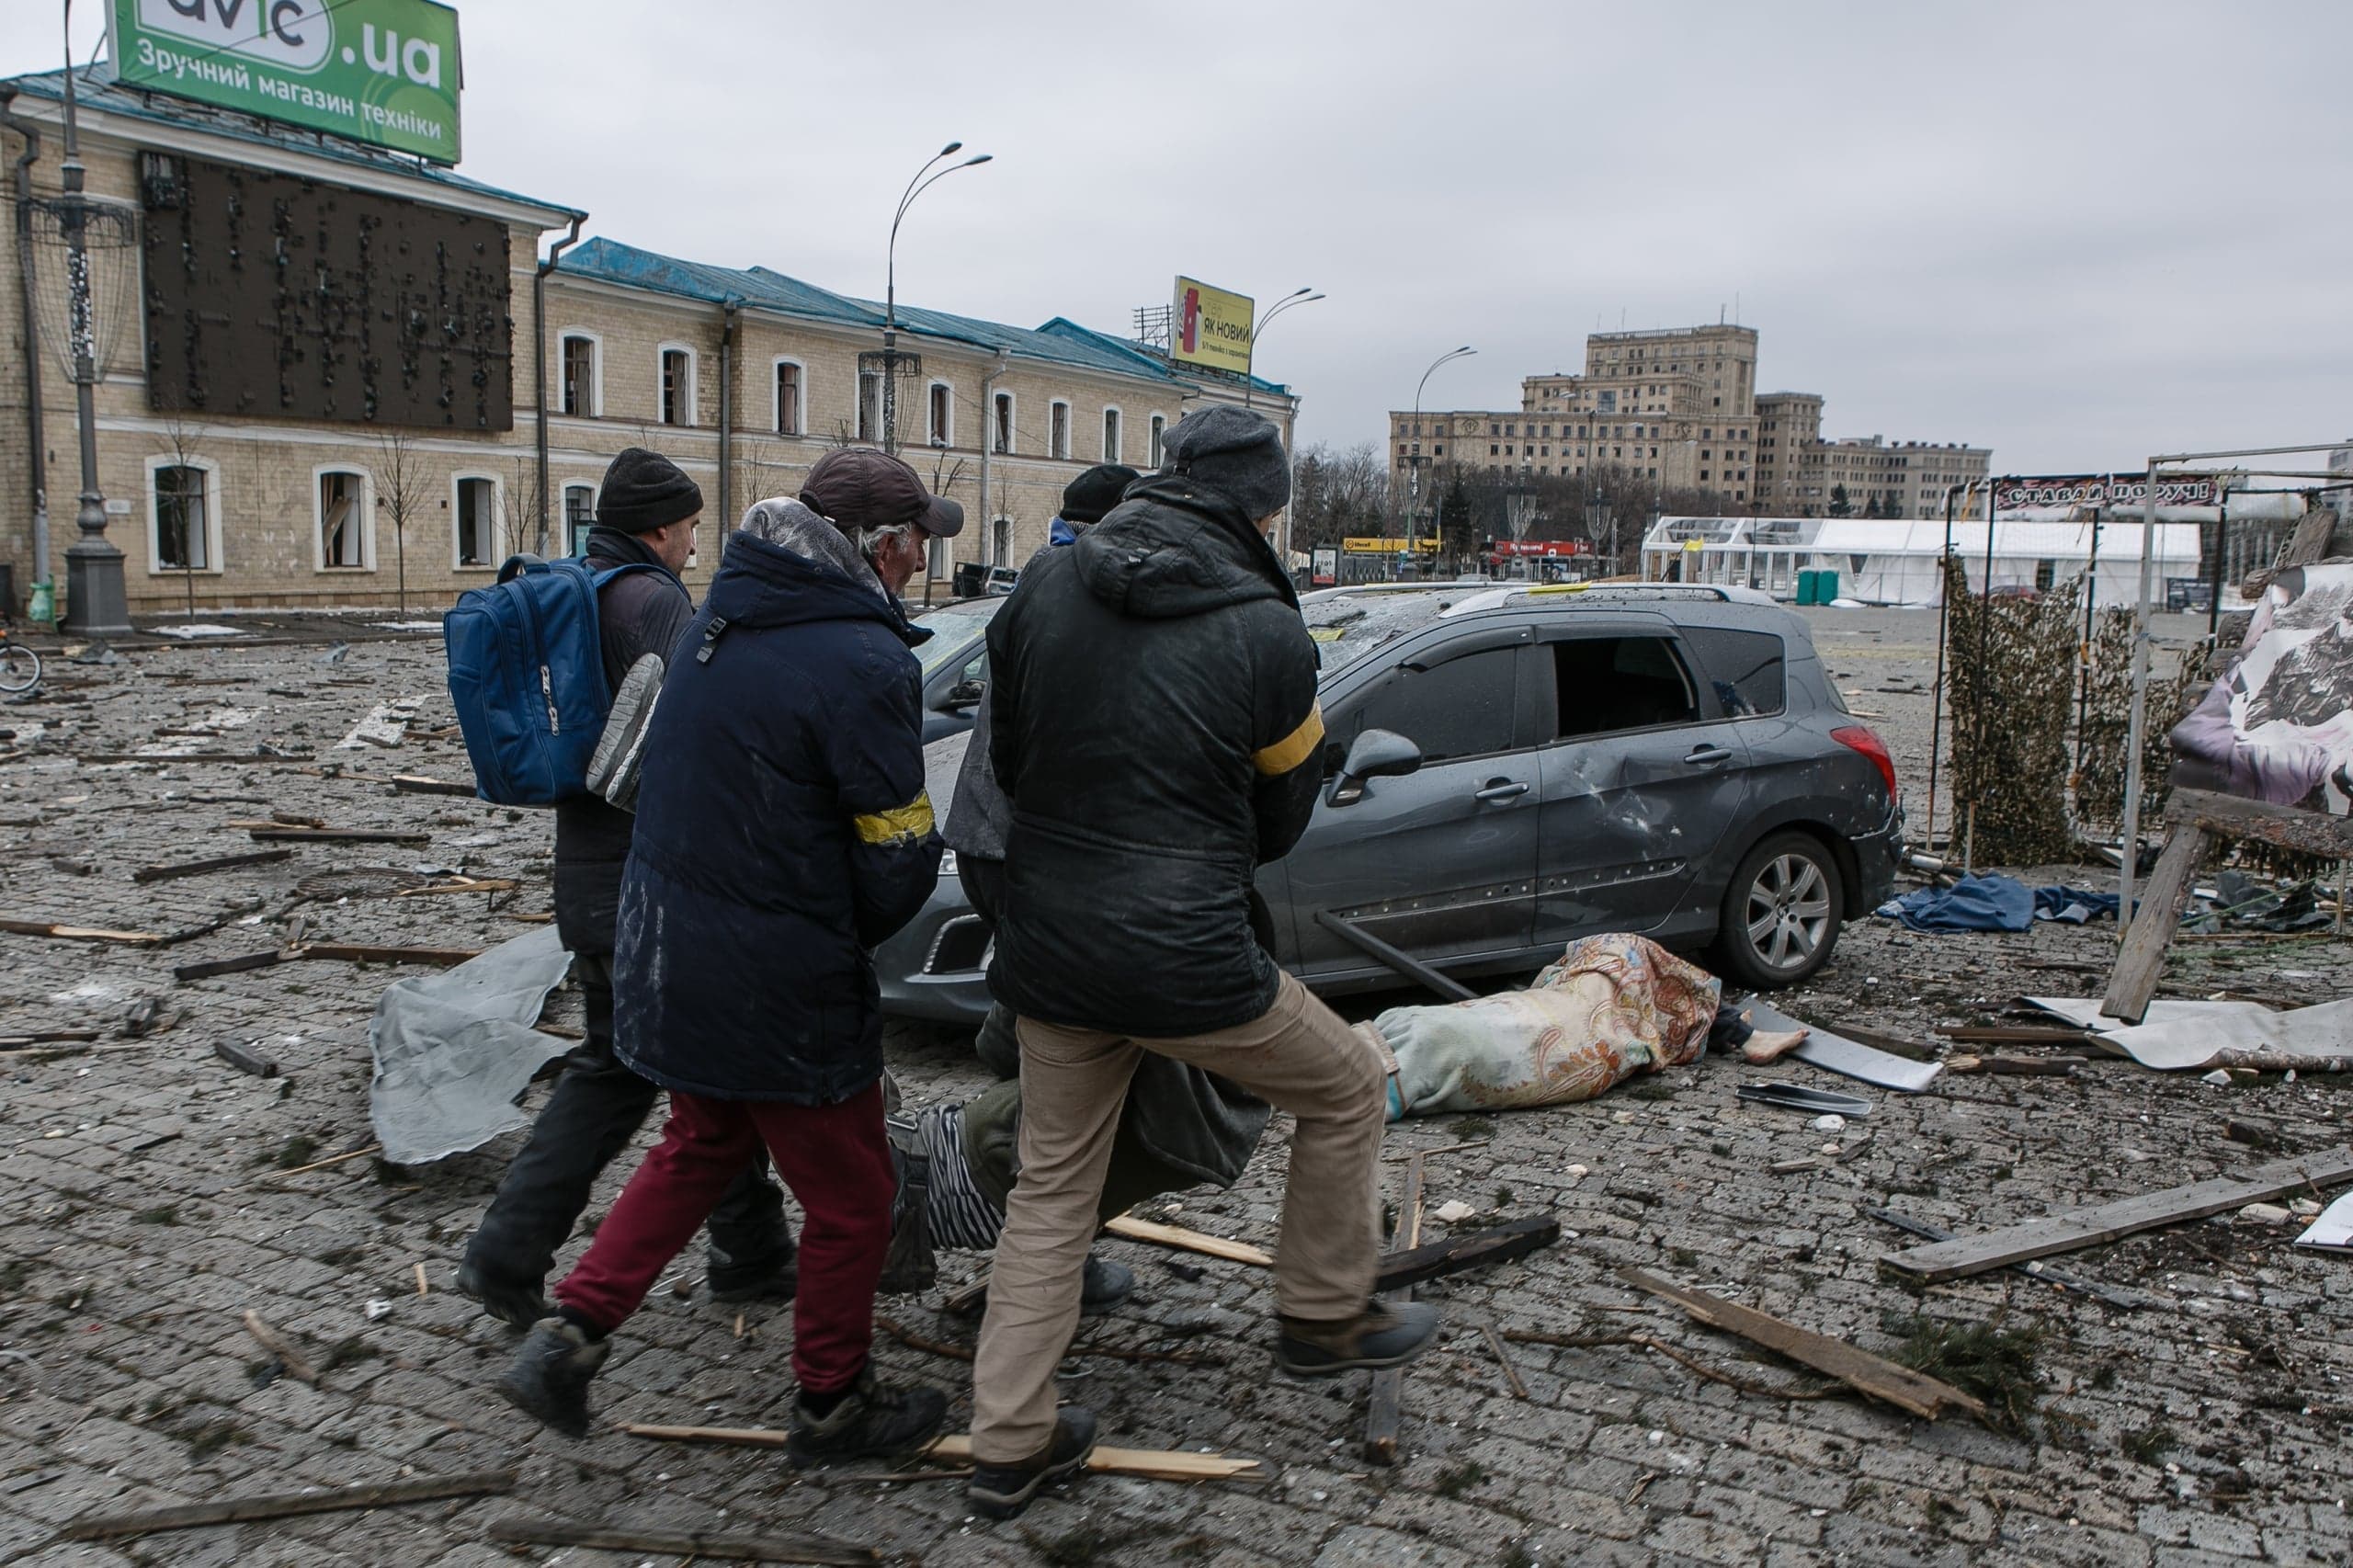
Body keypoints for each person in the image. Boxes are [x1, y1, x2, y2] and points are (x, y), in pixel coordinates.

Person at [962, 406, 1440, 1520]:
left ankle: (1006, 1444)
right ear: (1265, 506)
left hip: (1051, 945)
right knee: (1348, 1081)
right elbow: (1278, 825)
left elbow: (1016, 761)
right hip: (1187, 954)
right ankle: (1322, 1316)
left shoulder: (1044, 587)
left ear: (1165, 477)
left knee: (1051, 1187)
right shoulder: (1272, 635)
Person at [494, 449, 958, 1463]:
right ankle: (833, 1402)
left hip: (674, 947)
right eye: (920, 539)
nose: (926, 558)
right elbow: (895, 845)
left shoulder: (718, 616)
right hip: (783, 975)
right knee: (852, 1197)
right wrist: (859, 926)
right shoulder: (867, 659)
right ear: (879, 548)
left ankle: (568, 1336)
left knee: (698, 1146)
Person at [458, 447, 793, 1330]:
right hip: (649, 884)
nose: (692, 542)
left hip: (594, 872)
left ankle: (751, 1250)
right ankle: (505, 1253)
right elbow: (705, 734)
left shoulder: (591, 592)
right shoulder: (654, 603)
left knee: (710, 1062)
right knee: (618, 1070)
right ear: (658, 527)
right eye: (687, 527)